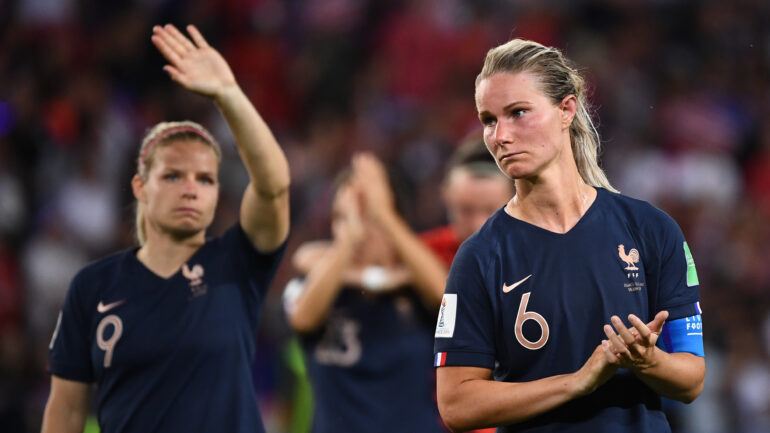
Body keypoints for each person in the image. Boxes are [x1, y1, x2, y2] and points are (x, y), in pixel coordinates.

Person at [434, 39, 705, 433]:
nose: (500, 136)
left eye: (518, 113)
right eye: (489, 120)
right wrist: (576, 382)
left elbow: (692, 378)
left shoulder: (650, 230)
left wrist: (648, 361)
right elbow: (456, 405)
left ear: (566, 109)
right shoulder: (480, 256)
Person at [41, 24, 290, 433]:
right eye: (173, 176)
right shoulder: (92, 287)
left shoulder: (238, 263)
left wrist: (230, 95)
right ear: (140, 186)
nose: (191, 189)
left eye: (205, 179)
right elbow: (66, 411)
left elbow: (274, 185)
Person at [284, 153, 446, 433]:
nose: (357, 229)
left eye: (367, 217)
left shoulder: (419, 288)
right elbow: (302, 318)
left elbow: (449, 299)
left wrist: (383, 215)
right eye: (341, 217)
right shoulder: (318, 287)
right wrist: (347, 242)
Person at [421, 134, 515, 268]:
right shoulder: (423, 253)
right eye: (466, 210)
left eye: (491, 211)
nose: (478, 226)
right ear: (445, 196)